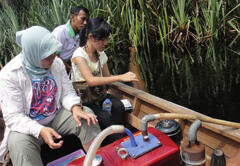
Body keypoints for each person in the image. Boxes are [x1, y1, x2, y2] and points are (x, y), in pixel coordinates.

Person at [0, 26, 101, 166]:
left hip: (55, 116)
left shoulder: (56, 63)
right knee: (18, 144)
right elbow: (14, 117)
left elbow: (67, 92)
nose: (53, 58)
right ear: (34, 53)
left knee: (86, 116)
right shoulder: (10, 74)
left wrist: (75, 107)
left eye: (54, 53)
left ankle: (95, 161)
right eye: (47, 56)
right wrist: (40, 130)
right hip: (28, 125)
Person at [71, 17, 138, 144]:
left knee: (118, 106)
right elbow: (90, 81)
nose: (105, 43)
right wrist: (120, 76)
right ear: (90, 37)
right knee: (103, 116)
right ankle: (114, 142)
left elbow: (107, 77)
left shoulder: (101, 54)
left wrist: (126, 79)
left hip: (99, 95)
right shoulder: (79, 56)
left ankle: (118, 136)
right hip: (85, 100)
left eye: (106, 39)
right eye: (102, 39)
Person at [52, 5, 89, 73]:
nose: (85, 23)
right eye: (83, 19)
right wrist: (70, 69)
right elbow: (54, 55)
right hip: (57, 66)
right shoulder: (60, 32)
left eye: (87, 20)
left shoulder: (81, 33)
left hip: (71, 63)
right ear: (72, 17)